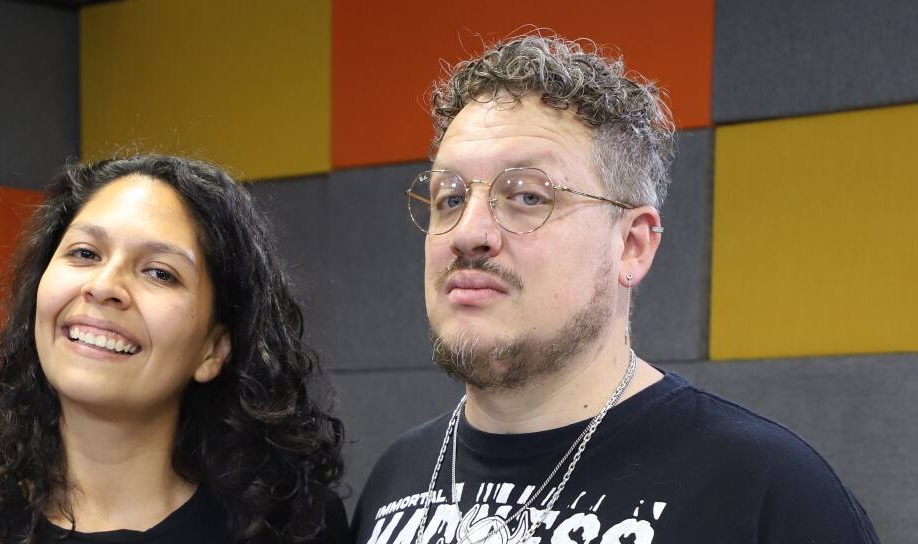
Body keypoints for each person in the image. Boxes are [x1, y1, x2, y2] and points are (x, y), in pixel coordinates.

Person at [351, 32, 879, 543]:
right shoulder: (394, 479)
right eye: (449, 197)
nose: (468, 233)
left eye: (528, 197)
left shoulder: (766, 492)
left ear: (631, 245)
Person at [0, 154, 347, 543]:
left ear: (214, 349)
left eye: (160, 273)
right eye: (85, 253)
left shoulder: (295, 531)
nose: (104, 286)